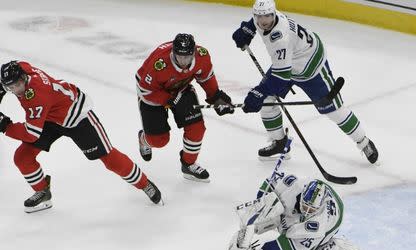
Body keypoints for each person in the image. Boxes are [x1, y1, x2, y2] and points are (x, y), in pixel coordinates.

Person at [0, 61, 161, 213]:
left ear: (24, 78)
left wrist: (5, 125)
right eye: (11, 87)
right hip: (49, 117)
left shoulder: (36, 94)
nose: (16, 89)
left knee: (108, 157)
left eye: (18, 85)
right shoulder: (22, 68)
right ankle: (43, 192)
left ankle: (144, 183)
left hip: (76, 116)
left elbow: (31, 133)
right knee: (22, 157)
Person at [232, 0, 378, 163]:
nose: (264, 21)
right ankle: (280, 143)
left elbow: (281, 78)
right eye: (260, 16)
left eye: (267, 16)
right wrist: (248, 30)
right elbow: (256, 22)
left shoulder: (280, 37)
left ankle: (363, 142)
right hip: (287, 62)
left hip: (310, 65)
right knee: (266, 100)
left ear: (273, 14)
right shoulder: (265, 19)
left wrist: (258, 92)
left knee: (333, 110)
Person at [136, 33, 234, 183]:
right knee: (159, 141)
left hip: (181, 88)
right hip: (153, 93)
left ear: (193, 53)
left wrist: (216, 97)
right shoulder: (159, 63)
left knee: (197, 128)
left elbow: (206, 78)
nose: (183, 61)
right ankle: (144, 139)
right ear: (173, 53)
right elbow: (145, 91)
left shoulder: (202, 55)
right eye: (179, 57)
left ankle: (188, 164)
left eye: (187, 57)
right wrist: (169, 100)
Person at [227, 173, 360, 250]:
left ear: (318, 207)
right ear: (302, 195)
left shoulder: (317, 224)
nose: (306, 211)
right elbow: (272, 181)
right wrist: (260, 208)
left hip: (330, 226)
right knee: (276, 210)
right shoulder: (296, 186)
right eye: (305, 206)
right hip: (318, 204)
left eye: (311, 209)